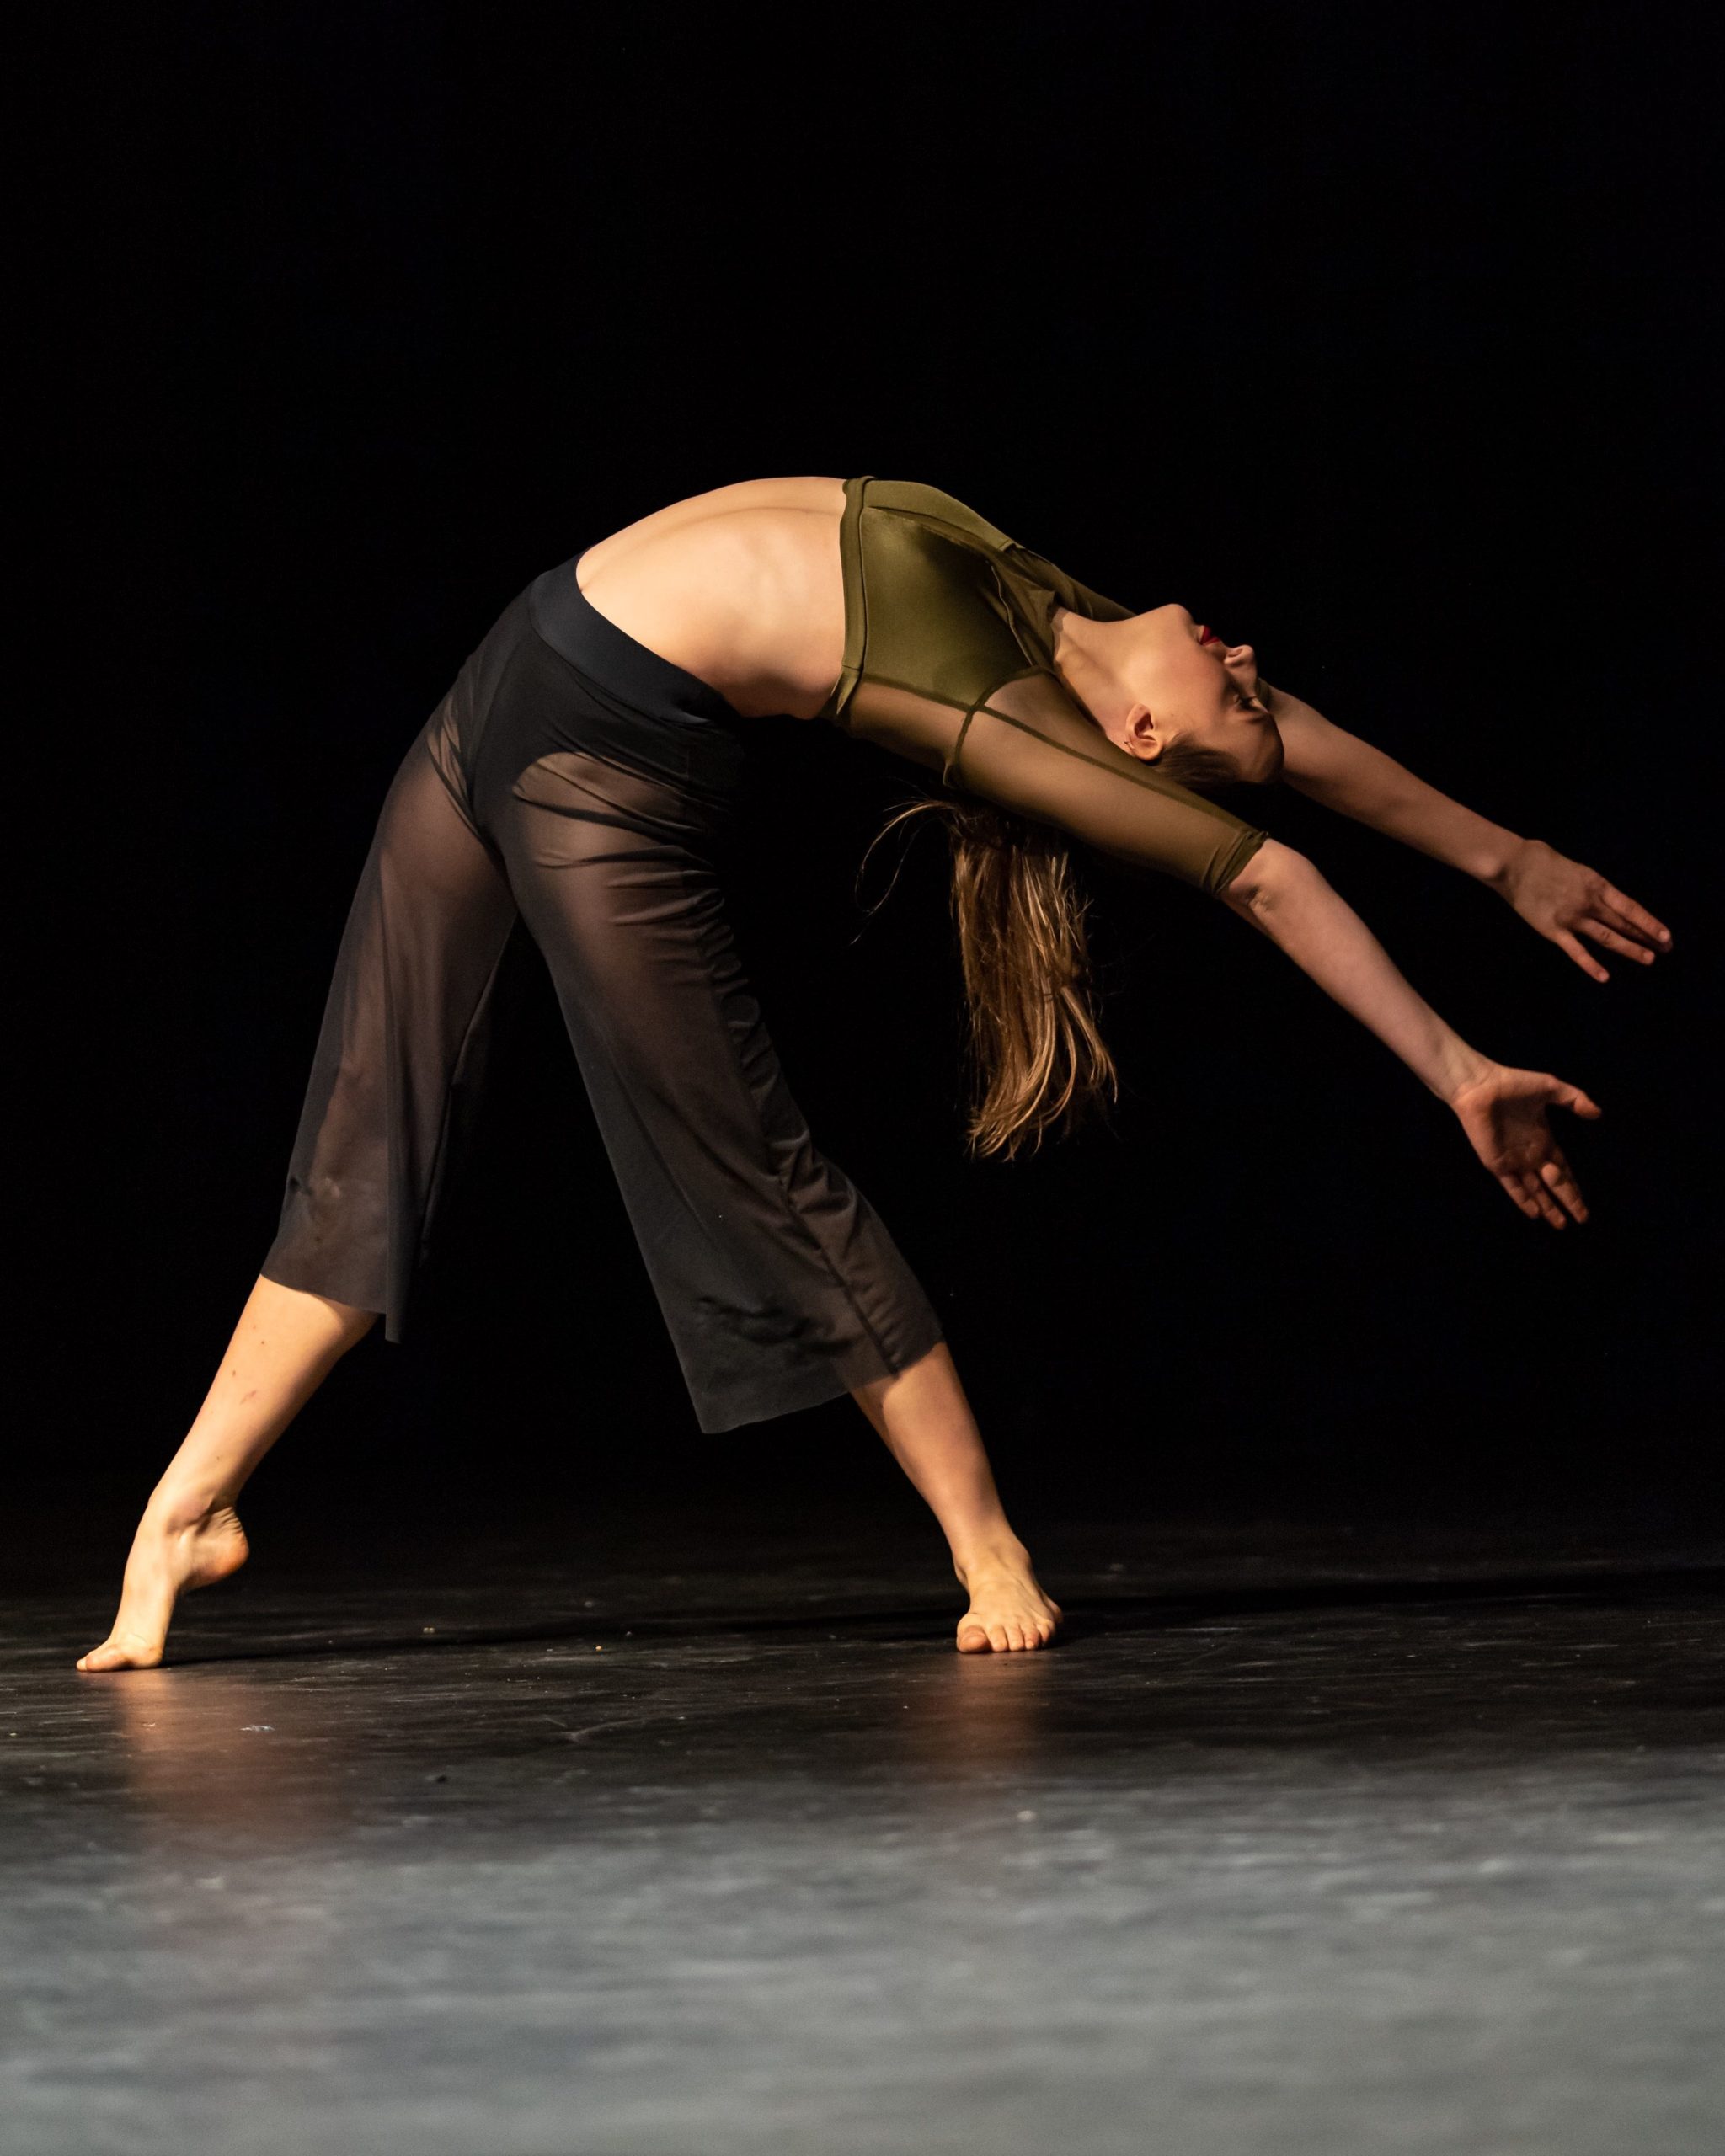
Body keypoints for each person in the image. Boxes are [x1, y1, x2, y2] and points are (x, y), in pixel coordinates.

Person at [77, 477, 1669, 1674]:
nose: (1248, 661)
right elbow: (1299, 746)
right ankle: (184, 1513)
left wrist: (1458, 1068)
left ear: (1132, 736)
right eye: (1250, 679)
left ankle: (987, 1551)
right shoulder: (1052, 606)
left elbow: (1268, 872)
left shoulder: (1005, 708)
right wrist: (1509, 859)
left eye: (1231, 695)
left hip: (597, 754)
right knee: (364, 1128)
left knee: (749, 1159)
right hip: (506, 673)